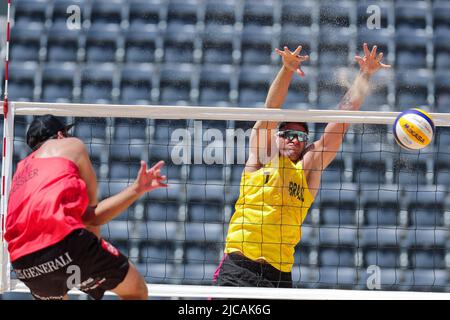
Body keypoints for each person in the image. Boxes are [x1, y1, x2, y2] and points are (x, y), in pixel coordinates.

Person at [214, 44, 391, 288]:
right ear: (277, 136)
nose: (293, 140)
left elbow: (339, 124)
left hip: (279, 274)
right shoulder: (263, 157)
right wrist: (287, 69)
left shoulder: (307, 168)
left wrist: (365, 75)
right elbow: (271, 109)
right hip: (239, 267)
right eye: (287, 133)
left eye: (300, 136)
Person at [4, 114, 167, 300]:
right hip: (66, 247)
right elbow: (92, 217)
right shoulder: (71, 144)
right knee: (136, 290)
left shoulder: (21, 169)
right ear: (60, 134)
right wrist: (137, 189)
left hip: (23, 264)